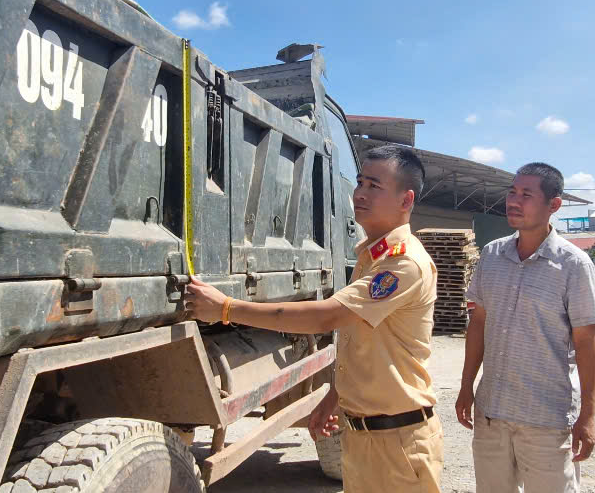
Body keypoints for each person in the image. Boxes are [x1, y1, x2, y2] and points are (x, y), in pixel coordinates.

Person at [182, 145, 442, 493]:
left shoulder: (403, 263)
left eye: (374, 186)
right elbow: (364, 345)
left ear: (405, 200)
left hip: (397, 442)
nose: (360, 193)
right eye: (360, 182)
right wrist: (333, 397)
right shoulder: (374, 256)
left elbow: (327, 317)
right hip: (366, 437)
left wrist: (226, 308)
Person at [455, 162, 595, 493]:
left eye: (526, 194)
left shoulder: (574, 266)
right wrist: (466, 386)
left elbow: (587, 342)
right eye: (512, 192)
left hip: (546, 419)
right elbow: (478, 324)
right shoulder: (492, 255)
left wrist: (588, 416)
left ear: (554, 205)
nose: (514, 201)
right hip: (492, 413)